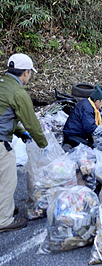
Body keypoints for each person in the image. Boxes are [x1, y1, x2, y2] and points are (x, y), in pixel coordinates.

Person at [0, 53, 48, 233]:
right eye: (30, 73)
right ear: (26, 73)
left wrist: (20, 132)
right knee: (7, 181)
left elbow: (5, 115)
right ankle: (3, 220)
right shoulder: (18, 92)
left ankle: (4, 209)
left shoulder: (3, 85)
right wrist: (44, 145)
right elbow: (32, 123)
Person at [62, 85, 102, 150]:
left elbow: (99, 115)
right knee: (92, 148)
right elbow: (90, 127)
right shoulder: (87, 108)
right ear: (97, 101)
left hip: (80, 133)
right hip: (73, 134)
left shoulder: (90, 103)